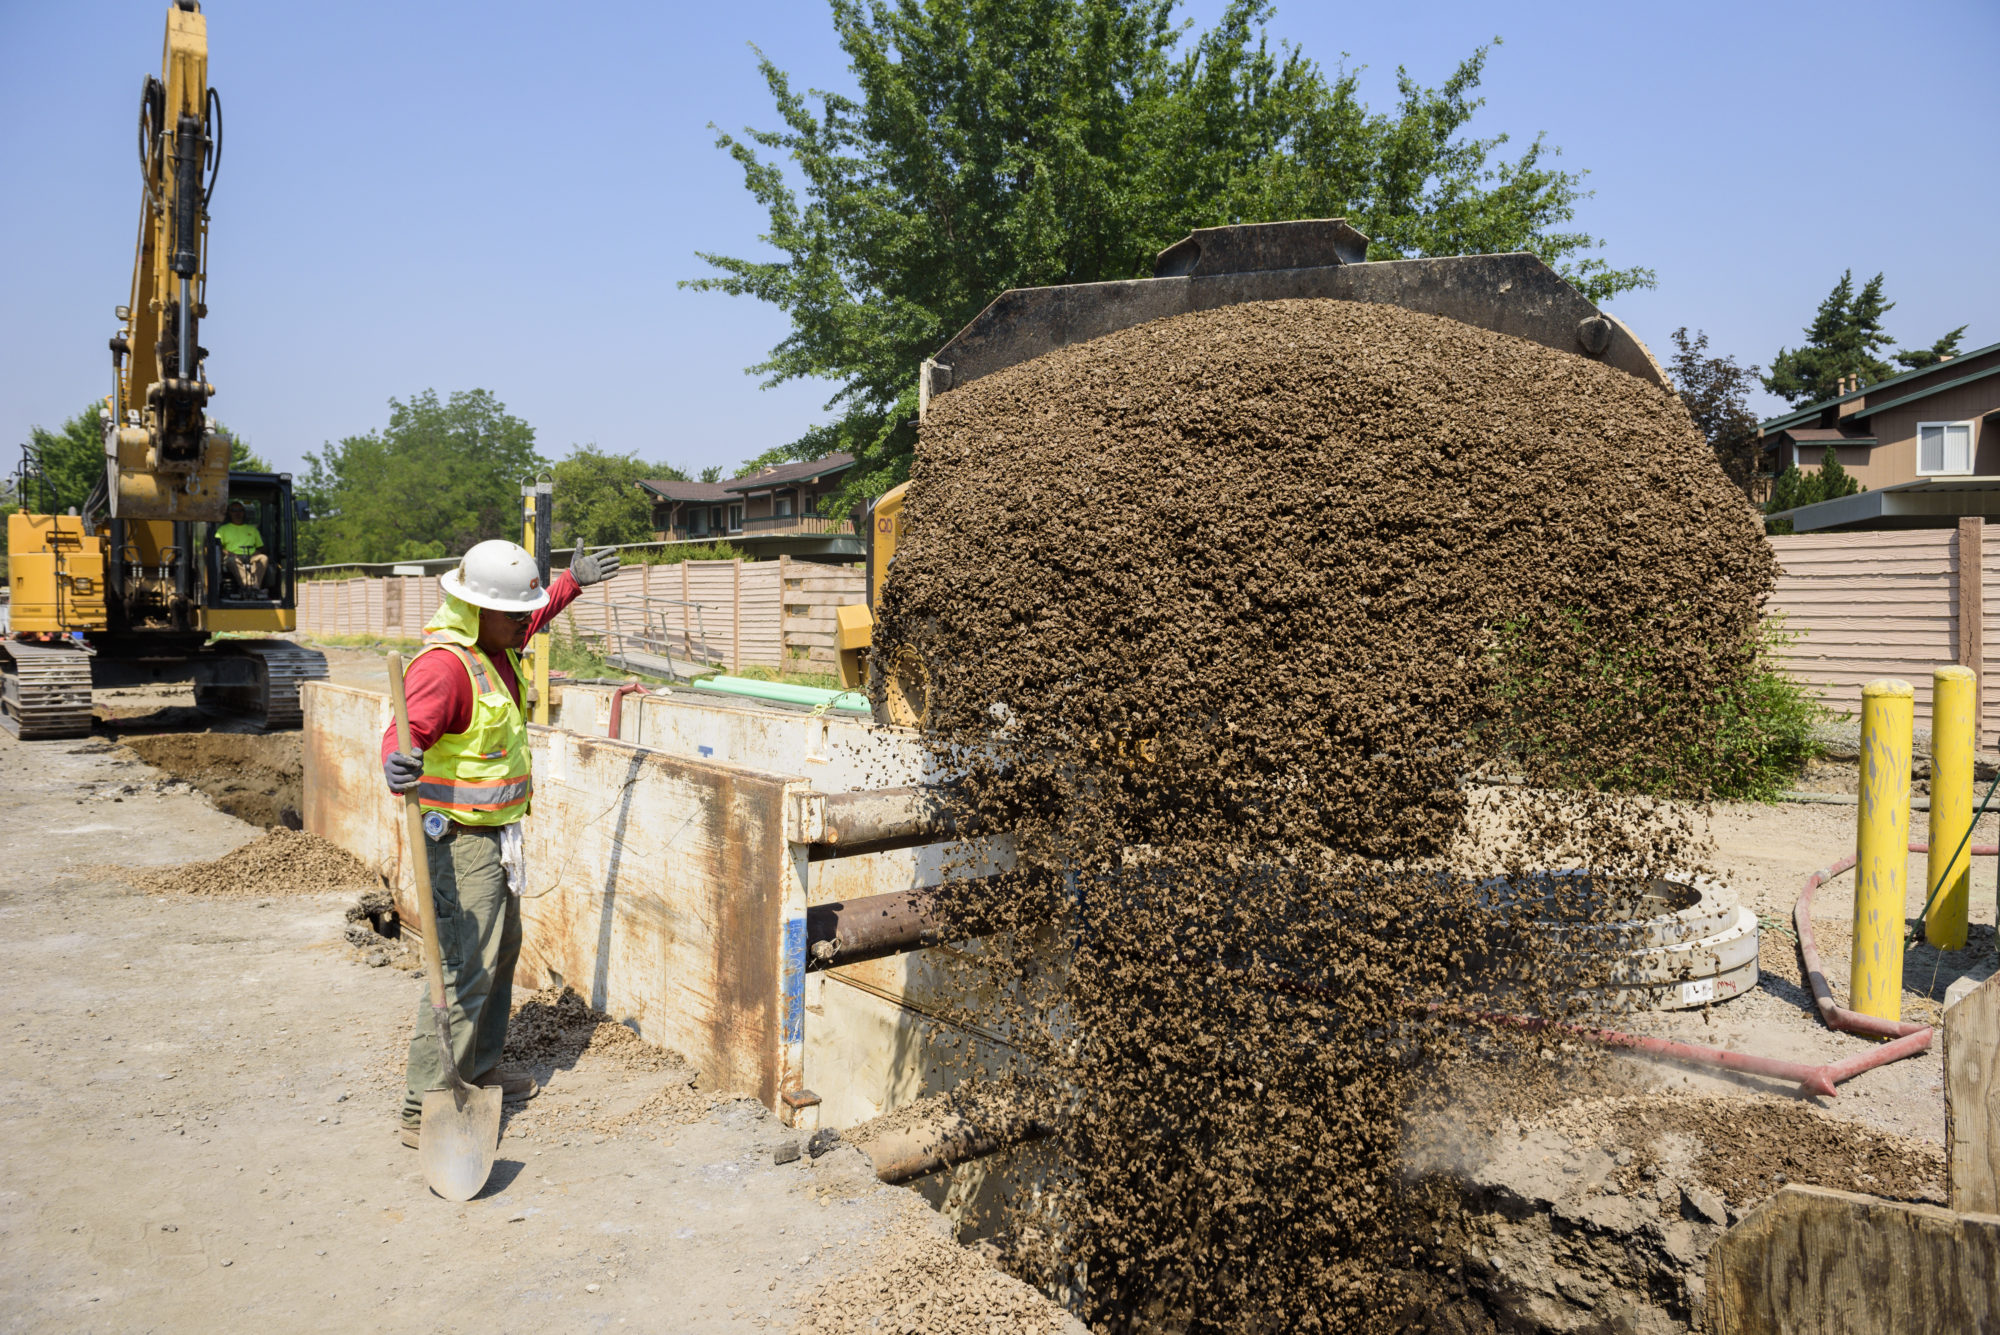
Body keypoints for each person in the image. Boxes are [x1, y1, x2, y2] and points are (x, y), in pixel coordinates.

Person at [379, 538, 621, 1148]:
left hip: (493, 834)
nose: (526, 622)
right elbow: (403, 733)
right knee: (465, 962)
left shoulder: (495, 643)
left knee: (501, 947)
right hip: (458, 837)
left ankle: (481, 1067)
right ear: (478, 610)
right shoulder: (444, 667)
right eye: (515, 613)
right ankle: (423, 1106)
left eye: (525, 612)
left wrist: (570, 583)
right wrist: (395, 761)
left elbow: (532, 614)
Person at [215, 500, 274, 595]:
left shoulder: (252, 529)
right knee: (231, 560)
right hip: (232, 556)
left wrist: (257, 552)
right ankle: (252, 587)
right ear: (229, 513)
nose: (237, 513)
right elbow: (217, 546)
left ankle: (251, 588)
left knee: (264, 558)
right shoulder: (223, 529)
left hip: (251, 556)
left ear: (244, 513)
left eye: (240, 510)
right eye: (234, 510)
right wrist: (227, 553)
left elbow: (261, 548)